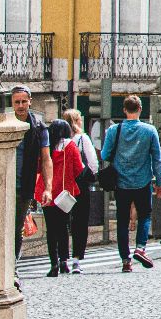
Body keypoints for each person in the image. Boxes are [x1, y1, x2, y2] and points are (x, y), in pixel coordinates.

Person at [102, 95, 161, 271]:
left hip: (121, 182)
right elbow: (157, 159)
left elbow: (105, 155)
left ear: (124, 110)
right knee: (145, 215)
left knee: (122, 220)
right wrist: (159, 182)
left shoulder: (114, 130)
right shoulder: (150, 130)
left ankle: (125, 261)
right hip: (143, 181)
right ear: (140, 109)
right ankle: (140, 247)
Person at [11, 87, 52, 259]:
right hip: (3, 184)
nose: (20, 105)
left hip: (24, 185)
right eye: (17, 102)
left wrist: (48, 188)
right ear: (12, 103)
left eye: (23, 101)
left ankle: (13, 267)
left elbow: (46, 158)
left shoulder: (38, 127)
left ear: (30, 101)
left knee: (17, 228)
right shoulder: (6, 123)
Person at [36, 120, 82, 278]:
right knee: (63, 228)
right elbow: (78, 168)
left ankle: (53, 263)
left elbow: (38, 166)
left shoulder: (46, 147)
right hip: (64, 192)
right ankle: (64, 261)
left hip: (46, 192)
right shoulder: (70, 146)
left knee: (51, 229)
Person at [61, 109, 98, 268]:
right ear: (77, 121)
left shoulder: (59, 140)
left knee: (62, 222)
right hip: (80, 184)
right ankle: (76, 258)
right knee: (80, 222)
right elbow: (93, 164)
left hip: (62, 185)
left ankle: (62, 258)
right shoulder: (82, 139)